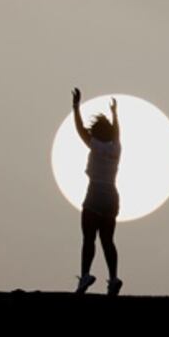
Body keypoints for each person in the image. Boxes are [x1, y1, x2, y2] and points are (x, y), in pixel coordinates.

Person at [72, 87, 123, 296]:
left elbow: (80, 130)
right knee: (108, 241)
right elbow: (118, 133)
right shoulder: (116, 148)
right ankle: (113, 279)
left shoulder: (95, 146)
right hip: (111, 196)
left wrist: (75, 107)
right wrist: (115, 114)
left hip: (94, 195)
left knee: (88, 239)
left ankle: (85, 275)